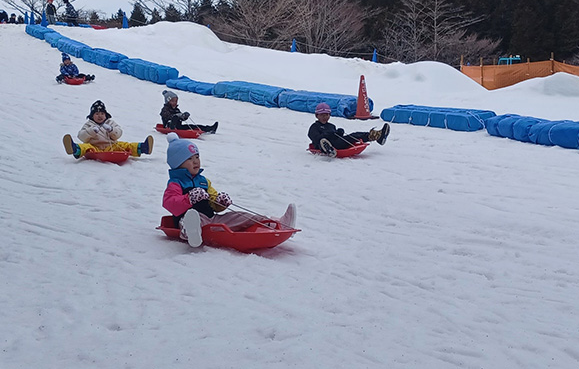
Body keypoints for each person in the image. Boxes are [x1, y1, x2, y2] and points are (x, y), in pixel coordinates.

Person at [162, 133, 296, 247]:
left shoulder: (203, 181)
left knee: (242, 216)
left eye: (197, 157)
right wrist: (189, 198)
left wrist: (220, 202)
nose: (196, 161)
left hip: (212, 219)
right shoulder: (176, 183)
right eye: (189, 159)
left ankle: (276, 224)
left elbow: (213, 202)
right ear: (178, 164)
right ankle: (191, 233)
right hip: (189, 219)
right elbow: (169, 203)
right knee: (191, 219)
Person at [62, 100, 154, 159]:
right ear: (92, 116)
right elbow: (81, 136)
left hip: (111, 146)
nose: (100, 116)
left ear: (106, 115)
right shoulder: (89, 124)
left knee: (124, 145)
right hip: (95, 147)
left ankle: (144, 147)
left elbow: (119, 133)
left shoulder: (110, 123)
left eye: (102, 114)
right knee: (86, 147)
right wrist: (91, 131)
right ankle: (74, 149)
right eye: (97, 114)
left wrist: (111, 130)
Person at [307, 102, 390, 157]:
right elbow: (315, 138)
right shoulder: (314, 127)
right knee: (322, 141)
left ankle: (377, 136)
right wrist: (326, 135)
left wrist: (339, 133)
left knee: (354, 135)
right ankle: (327, 148)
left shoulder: (331, 126)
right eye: (322, 115)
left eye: (326, 115)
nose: (324, 117)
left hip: (337, 144)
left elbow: (336, 137)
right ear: (317, 116)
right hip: (321, 145)